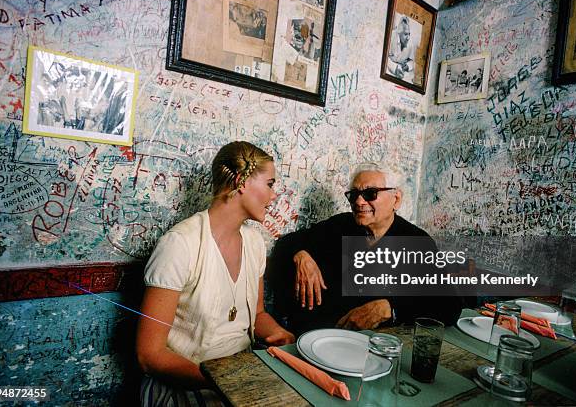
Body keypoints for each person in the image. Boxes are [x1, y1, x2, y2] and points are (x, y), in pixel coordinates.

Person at [136, 141, 295, 406]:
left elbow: (257, 315)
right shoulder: (180, 244)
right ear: (241, 183)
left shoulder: (255, 242)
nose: (274, 194)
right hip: (186, 387)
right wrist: (224, 379)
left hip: (241, 380)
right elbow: (149, 355)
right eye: (270, 184)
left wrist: (279, 333)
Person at [268, 163, 462, 336]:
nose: (359, 202)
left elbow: (448, 306)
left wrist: (390, 308)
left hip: (374, 347)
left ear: (396, 199)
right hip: (318, 338)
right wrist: (301, 256)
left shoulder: (417, 242)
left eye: (370, 194)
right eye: (354, 195)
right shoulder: (340, 225)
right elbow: (287, 243)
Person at [387, 16, 415, 83]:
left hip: (403, 75)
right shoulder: (390, 37)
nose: (408, 37)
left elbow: (413, 61)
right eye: (405, 34)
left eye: (409, 34)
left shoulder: (410, 43)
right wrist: (394, 68)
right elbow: (384, 57)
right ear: (399, 32)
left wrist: (407, 66)